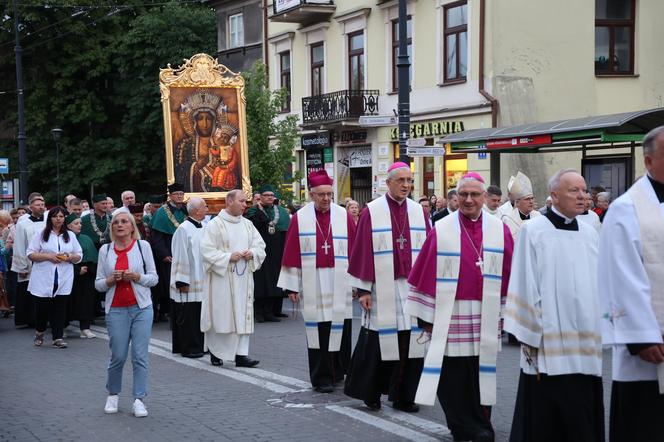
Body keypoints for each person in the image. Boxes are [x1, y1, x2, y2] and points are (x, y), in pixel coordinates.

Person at [406, 172, 514, 442]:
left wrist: (510, 313)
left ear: (484, 198)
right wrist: (426, 319)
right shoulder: (442, 229)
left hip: (486, 314)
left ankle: (479, 423)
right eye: (463, 194)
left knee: (481, 371)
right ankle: (464, 425)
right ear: (456, 197)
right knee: (453, 375)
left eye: (475, 194)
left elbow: (513, 273)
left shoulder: (499, 229)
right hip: (450, 314)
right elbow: (425, 271)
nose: (468, 200)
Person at [505, 169, 604, 442]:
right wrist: (529, 333)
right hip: (549, 342)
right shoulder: (533, 231)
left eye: (584, 190)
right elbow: (524, 281)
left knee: (581, 416)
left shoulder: (590, 231)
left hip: (585, 342)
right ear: (554, 195)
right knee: (546, 420)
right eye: (574, 190)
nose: (583, 195)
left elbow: (600, 282)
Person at [344, 162, 431, 412]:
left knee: (411, 344)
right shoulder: (372, 210)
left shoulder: (419, 212)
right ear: (389, 183)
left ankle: (404, 396)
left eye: (409, 180)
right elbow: (362, 250)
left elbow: (427, 252)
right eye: (401, 180)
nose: (406, 185)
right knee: (379, 343)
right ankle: (371, 392)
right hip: (382, 288)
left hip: (412, 287)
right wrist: (363, 290)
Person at [598, 126, 664, 442]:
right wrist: (641, 337)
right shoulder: (626, 208)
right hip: (647, 346)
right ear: (649, 161)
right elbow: (620, 275)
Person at [278, 170, 357, 393]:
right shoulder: (300, 218)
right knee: (319, 329)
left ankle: (340, 371)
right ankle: (322, 377)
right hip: (313, 281)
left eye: (329, 194)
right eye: (321, 194)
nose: (326, 199)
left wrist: (357, 283)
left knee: (342, 326)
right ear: (312, 195)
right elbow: (291, 251)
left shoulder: (343, 215)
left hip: (339, 279)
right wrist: (292, 285)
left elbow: (356, 249)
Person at [97, 211, 158, 418]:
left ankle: (139, 399)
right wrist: (110, 280)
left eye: (124, 222)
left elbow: (154, 278)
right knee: (118, 356)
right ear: (112, 228)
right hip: (116, 309)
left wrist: (137, 276)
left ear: (132, 227)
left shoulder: (143, 247)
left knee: (140, 356)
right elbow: (98, 284)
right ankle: (112, 394)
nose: (120, 225)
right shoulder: (105, 250)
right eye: (116, 222)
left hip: (141, 308)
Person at [200, 189, 266, 367]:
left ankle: (241, 355)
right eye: (242, 201)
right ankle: (216, 351)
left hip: (243, 278)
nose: (246, 205)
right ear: (229, 202)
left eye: (246, 202)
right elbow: (206, 251)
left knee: (243, 314)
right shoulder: (215, 225)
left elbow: (260, 246)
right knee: (222, 314)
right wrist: (228, 257)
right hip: (221, 279)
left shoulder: (247, 225)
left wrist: (251, 253)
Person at [27, 206, 82, 349]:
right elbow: (31, 254)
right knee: (42, 309)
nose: (58, 219)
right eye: (55, 216)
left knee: (60, 307)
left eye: (61, 217)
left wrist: (69, 257)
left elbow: (79, 255)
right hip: (44, 276)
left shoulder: (70, 236)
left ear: (64, 219)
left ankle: (57, 337)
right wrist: (48, 256)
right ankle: (39, 332)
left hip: (63, 277)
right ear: (50, 218)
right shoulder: (40, 234)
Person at [169, 197, 208, 358]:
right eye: (205, 207)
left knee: (200, 314)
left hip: (203, 279)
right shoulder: (183, 229)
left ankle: (201, 345)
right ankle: (188, 347)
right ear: (197, 210)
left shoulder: (205, 227)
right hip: (189, 280)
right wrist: (181, 280)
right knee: (189, 315)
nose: (207, 209)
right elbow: (179, 255)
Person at [245, 184, 288, 322]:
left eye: (271, 195)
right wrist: (259, 211)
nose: (270, 197)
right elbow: (254, 224)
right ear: (261, 197)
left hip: (276, 251)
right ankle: (258, 313)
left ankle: (270, 312)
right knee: (260, 282)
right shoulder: (253, 210)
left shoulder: (280, 211)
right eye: (267, 195)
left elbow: (284, 228)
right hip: (259, 251)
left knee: (273, 282)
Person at [149, 183, 188, 322]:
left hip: (184, 251)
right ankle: (169, 313)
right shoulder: (162, 212)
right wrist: (164, 254)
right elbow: (157, 237)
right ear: (170, 196)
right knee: (168, 284)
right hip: (168, 251)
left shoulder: (185, 209)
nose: (179, 196)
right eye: (177, 194)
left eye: (181, 194)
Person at [12, 193, 47, 327]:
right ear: (30, 207)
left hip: (45, 261)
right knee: (29, 290)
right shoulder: (23, 223)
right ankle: (30, 319)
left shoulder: (48, 221)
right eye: (38, 205)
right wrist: (22, 267)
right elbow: (20, 245)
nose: (41, 207)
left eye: (42, 205)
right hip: (29, 262)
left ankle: (45, 318)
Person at [65, 213, 99, 338]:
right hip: (68, 275)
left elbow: (93, 258)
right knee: (67, 302)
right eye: (76, 223)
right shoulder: (63, 238)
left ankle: (85, 328)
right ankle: (63, 326)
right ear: (68, 226)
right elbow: (61, 257)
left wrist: (88, 269)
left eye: (80, 223)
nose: (80, 225)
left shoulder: (86, 238)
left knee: (86, 302)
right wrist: (76, 269)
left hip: (86, 276)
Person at [501, 172, 541, 241]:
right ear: (518, 202)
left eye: (532, 198)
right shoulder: (508, 219)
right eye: (527, 199)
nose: (531, 201)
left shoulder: (538, 216)